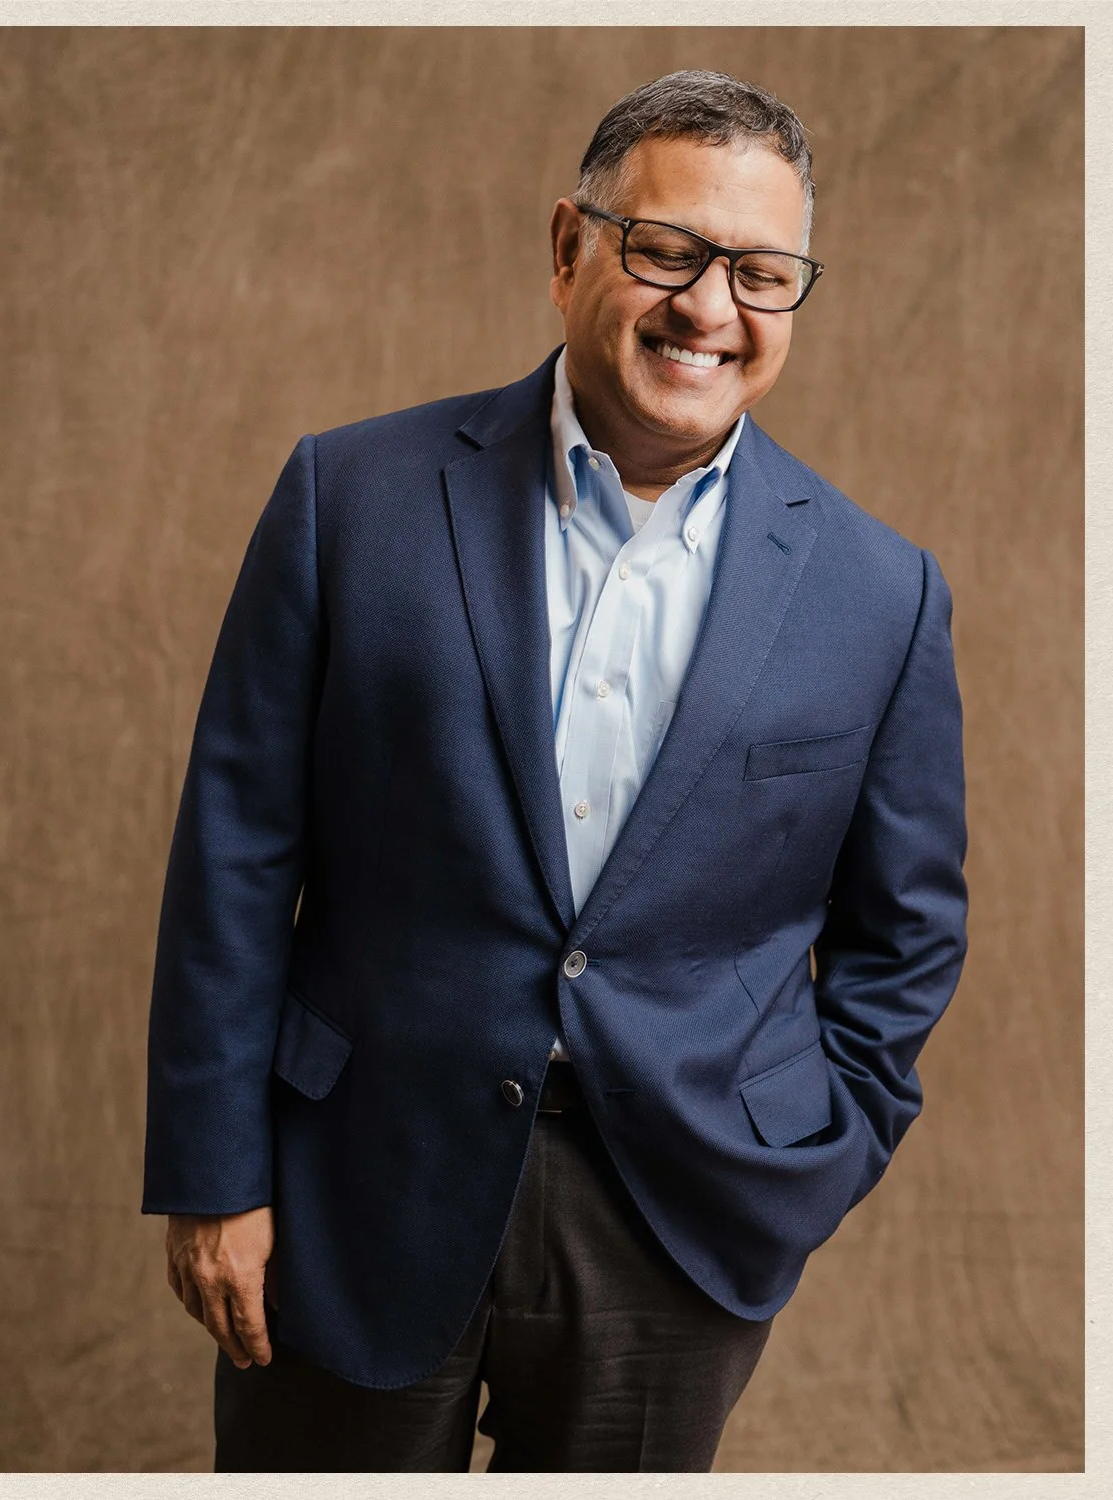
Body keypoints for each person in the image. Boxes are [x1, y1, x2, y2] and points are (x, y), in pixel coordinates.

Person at [142, 69, 968, 1473]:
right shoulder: (352, 499)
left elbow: (907, 937)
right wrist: (215, 1175)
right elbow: (236, 852)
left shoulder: (880, 593)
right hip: (356, 1181)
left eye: (762, 274)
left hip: (677, 1225)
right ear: (568, 246)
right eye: (667, 250)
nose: (709, 309)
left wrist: (801, 1169)